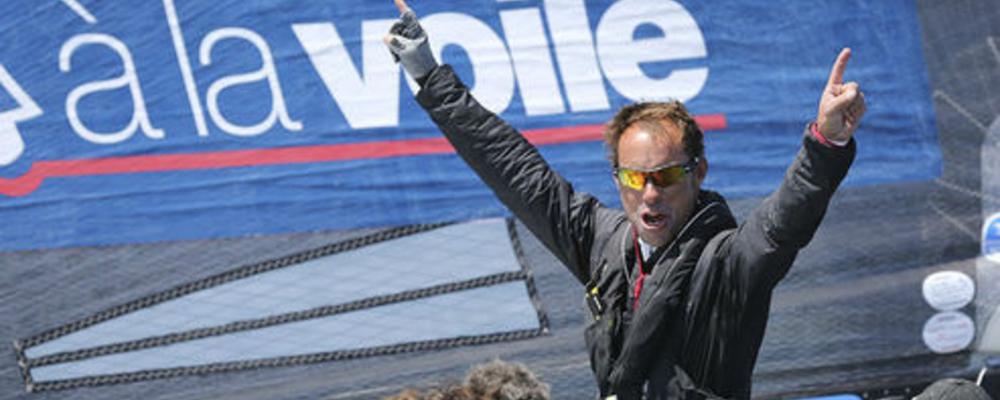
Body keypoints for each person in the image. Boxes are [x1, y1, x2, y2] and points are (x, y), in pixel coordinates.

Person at [382, 0, 866, 398]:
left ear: (698, 173)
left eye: (666, 176)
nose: (650, 194)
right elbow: (514, 170)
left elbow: (785, 222)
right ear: (617, 180)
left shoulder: (729, 262)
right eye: (635, 178)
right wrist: (429, 75)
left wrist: (827, 142)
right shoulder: (603, 243)